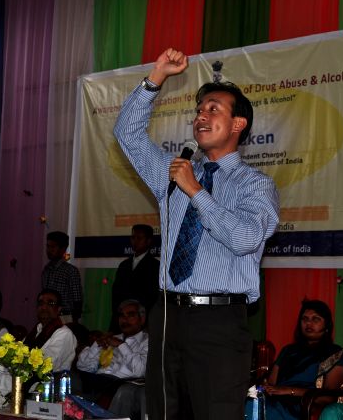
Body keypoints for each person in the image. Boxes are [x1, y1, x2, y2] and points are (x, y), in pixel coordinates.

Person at [113, 48, 279, 419]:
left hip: (219, 323)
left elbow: (245, 239)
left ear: (238, 124)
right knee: (163, 412)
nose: (200, 116)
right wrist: (156, 77)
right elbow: (127, 134)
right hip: (167, 315)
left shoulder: (255, 186)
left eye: (213, 109)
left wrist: (196, 192)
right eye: (198, 110)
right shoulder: (174, 173)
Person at [250, 300, 343, 420]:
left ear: (327, 325)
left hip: (305, 404)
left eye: (316, 319)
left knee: (269, 408)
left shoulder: (335, 353)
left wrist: (289, 391)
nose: (308, 323)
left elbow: (328, 397)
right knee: (251, 403)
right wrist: (265, 388)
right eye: (305, 319)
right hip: (277, 399)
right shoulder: (288, 350)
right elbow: (271, 383)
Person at [110, 224, 159, 332]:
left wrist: (142, 319)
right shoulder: (124, 265)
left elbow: (152, 297)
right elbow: (116, 294)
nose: (135, 241)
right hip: (121, 321)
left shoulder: (155, 266)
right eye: (133, 237)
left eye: (139, 238)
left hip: (142, 323)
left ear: (148, 241)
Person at [41, 231, 83, 323]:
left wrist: (73, 322)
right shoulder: (46, 270)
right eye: (48, 246)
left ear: (63, 249)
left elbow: (77, 301)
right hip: (48, 315)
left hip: (65, 317)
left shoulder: (70, 271)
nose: (49, 250)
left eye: (53, 247)